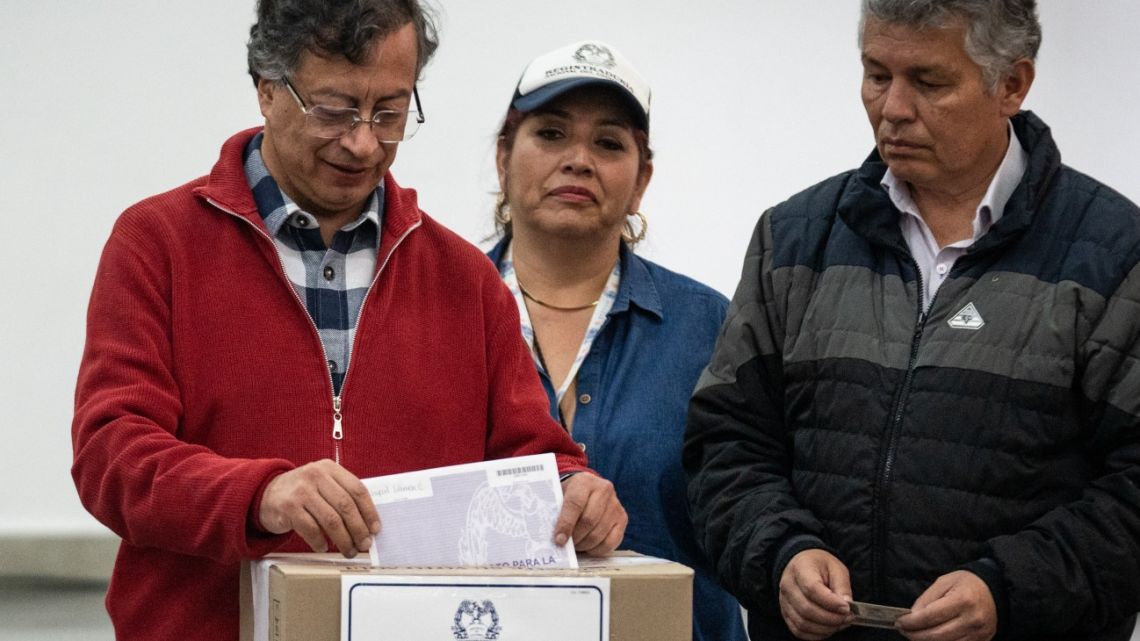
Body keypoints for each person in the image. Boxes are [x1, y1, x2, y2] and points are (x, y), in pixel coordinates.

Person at [70, 3, 627, 640]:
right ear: (267, 89)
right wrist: (260, 494)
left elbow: (532, 454)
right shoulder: (158, 244)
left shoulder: (466, 280)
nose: (363, 142)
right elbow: (111, 454)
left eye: (389, 113)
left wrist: (574, 487)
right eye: (334, 110)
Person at [683, 1, 1140, 640]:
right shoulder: (794, 239)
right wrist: (780, 554)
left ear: (1011, 84)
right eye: (876, 75)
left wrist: (1007, 589)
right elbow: (724, 447)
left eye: (928, 82)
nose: (893, 108)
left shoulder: (1115, 254)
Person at [486, 41, 747, 641]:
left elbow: (750, 504)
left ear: (641, 180)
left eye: (608, 143)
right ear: (504, 158)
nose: (578, 160)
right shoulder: (439, 316)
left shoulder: (712, 327)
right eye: (550, 134)